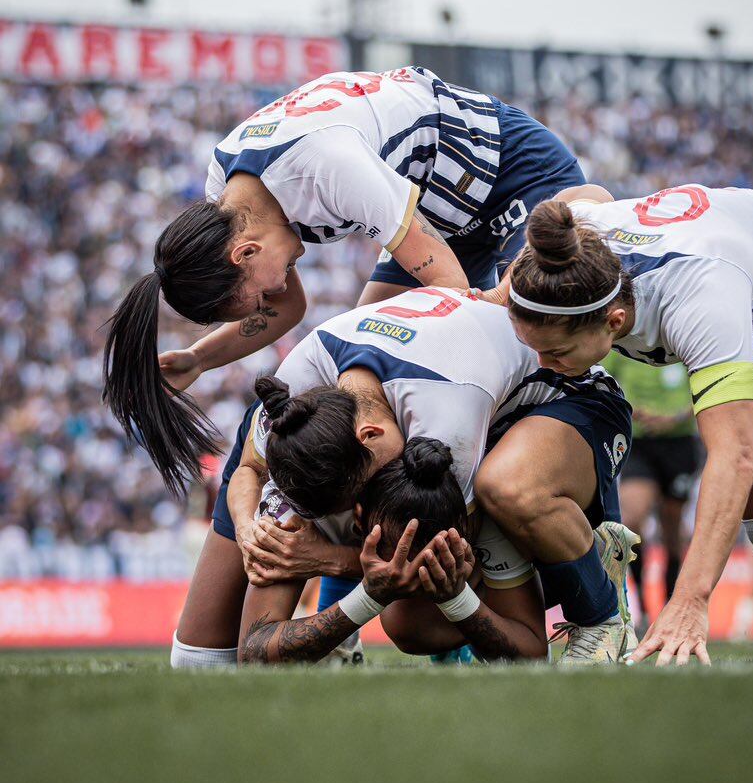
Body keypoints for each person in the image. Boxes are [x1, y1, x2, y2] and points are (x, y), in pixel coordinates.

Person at [103, 67, 583, 494]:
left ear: (245, 252)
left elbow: (450, 296)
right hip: (440, 210)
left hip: (514, 173)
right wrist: (198, 359)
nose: (272, 293)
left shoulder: (327, 165)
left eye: (258, 293)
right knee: (362, 347)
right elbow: (288, 310)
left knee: (515, 331)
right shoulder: (228, 204)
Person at [171, 286, 637, 668]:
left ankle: (594, 590)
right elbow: (250, 467)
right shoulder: (298, 395)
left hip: (571, 397)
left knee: (500, 492)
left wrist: (331, 559)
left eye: (350, 508)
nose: (355, 520)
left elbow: (448, 557)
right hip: (476, 401)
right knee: (410, 624)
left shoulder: (446, 425)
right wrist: (252, 529)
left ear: (370, 434)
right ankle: (456, 634)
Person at [494, 183, 753, 666]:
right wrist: (503, 291)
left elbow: (734, 457)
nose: (543, 362)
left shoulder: (696, 302)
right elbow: (584, 195)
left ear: (614, 320)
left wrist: (690, 600)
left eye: (557, 351)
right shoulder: (581, 248)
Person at [237, 437, 548, 665]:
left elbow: (534, 653)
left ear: (464, 528)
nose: (412, 573)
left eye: (436, 553)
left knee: (408, 624)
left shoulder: (484, 510)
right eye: (398, 552)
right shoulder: (299, 511)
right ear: (358, 519)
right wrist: (369, 596)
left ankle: (584, 569)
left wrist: (456, 598)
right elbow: (253, 653)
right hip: (268, 452)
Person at [603, 355, 700, 630]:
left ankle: (671, 606)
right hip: (640, 442)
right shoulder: (624, 343)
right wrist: (627, 408)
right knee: (631, 521)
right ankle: (643, 608)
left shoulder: (682, 341)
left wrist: (677, 416)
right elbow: (598, 377)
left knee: (672, 529)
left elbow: (711, 383)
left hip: (679, 443)